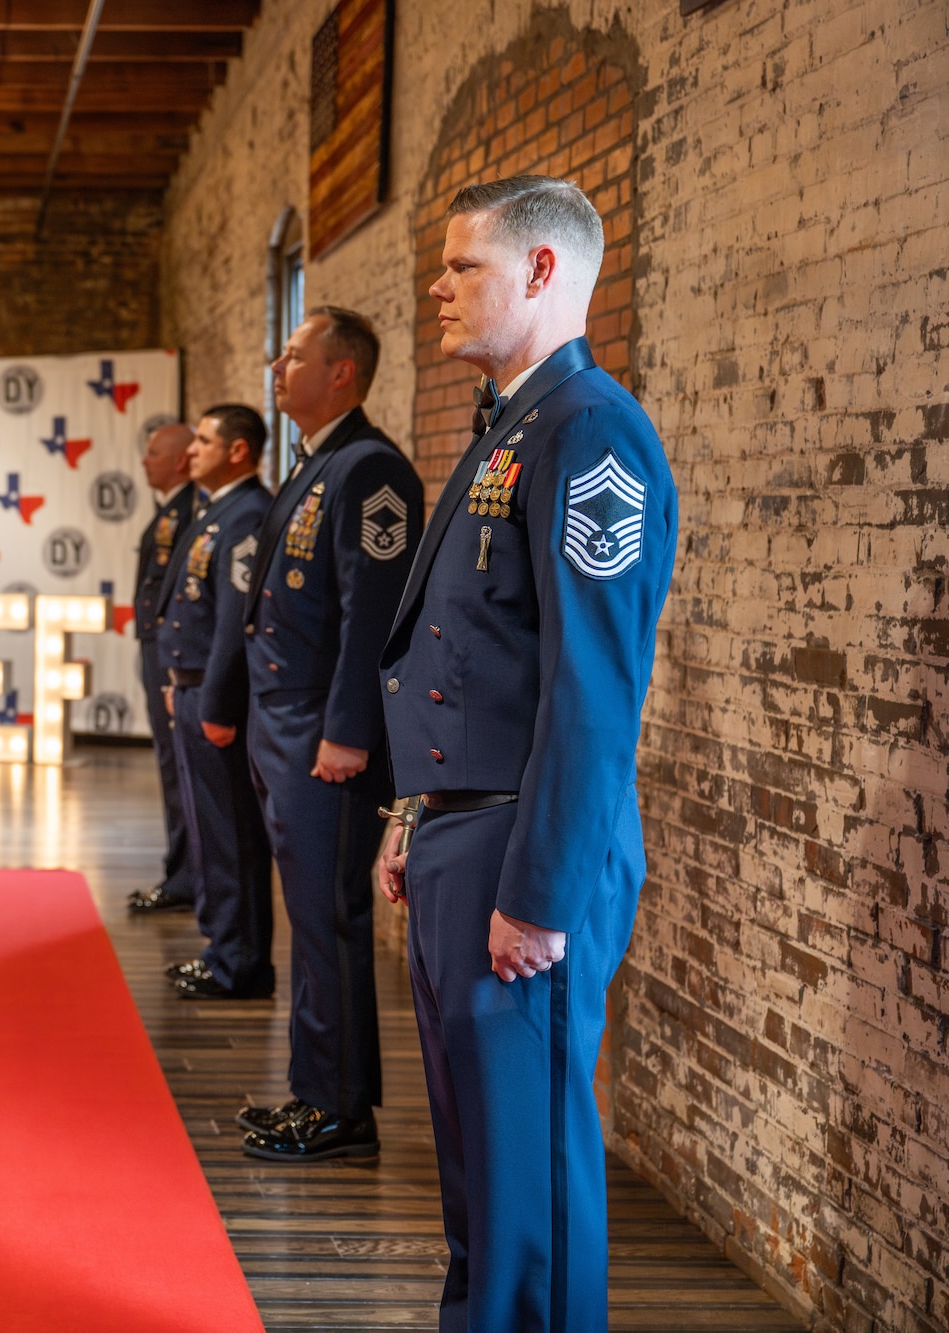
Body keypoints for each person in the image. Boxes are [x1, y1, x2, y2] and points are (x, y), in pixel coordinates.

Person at [376, 175, 677, 1329]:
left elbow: (590, 691)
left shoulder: (588, 430)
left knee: (527, 1171)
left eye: (463, 266)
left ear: (541, 271)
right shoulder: (514, 424)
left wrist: (540, 894)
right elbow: (472, 652)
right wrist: (413, 810)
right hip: (465, 827)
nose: (437, 287)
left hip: (522, 846)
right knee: (475, 1158)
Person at [233, 309, 422, 1165]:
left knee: (329, 919)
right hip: (285, 724)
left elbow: (370, 614)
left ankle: (340, 1109)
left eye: (295, 354)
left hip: (323, 733)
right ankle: (317, 1091)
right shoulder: (317, 462)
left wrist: (349, 731)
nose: (278, 367)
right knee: (308, 918)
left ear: (341, 372)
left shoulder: (371, 469)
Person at [152, 405, 274, 1000]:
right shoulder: (217, 509)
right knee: (207, 830)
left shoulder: (246, 512)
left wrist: (218, 704)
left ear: (237, 450)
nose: (191, 450)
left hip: (214, 694)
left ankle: (238, 962)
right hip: (194, 686)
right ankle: (220, 947)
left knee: (230, 833)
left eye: (203, 440)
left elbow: (232, 622)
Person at [126, 421, 200, 914]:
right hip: (157, 649)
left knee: (178, 768)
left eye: (154, 453)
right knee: (172, 766)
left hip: (171, 655)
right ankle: (181, 871)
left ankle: (185, 877)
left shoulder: (186, 511)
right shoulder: (173, 509)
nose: (144, 461)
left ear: (178, 460)